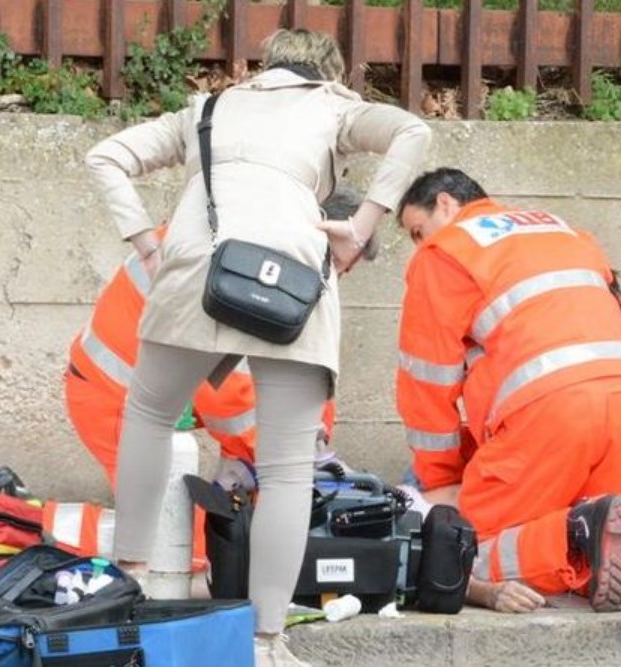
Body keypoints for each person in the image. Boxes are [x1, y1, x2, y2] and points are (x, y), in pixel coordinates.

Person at [84, 28, 430, 666]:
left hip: (195, 271)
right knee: (288, 468)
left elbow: (106, 155)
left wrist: (148, 244)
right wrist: (360, 224)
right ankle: (266, 642)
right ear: (330, 74)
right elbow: (414, 131)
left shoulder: (206, 109)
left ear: (264, 68)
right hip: (292, 281)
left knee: (151, 414)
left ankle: (123, 586)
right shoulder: (334, 106)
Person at [395, 168, 621, 613]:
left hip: (549, 409)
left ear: (446, 204)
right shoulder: (566, 231)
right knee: (612, 531)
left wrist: (441, 479)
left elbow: (427, 381)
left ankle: (579, 534)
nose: (418, 244)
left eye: (417, 230)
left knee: (463, 546)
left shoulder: (444, 253)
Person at [64, 189, 368, 488]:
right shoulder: (239, 267)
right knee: (170, 532)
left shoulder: (255, 253)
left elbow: (301, 373)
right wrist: (292, 457)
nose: (334, 278)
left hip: (131, 394)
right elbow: (229, 398)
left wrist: (315, 442)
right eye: (337, 264)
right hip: (115, 399)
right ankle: (30, 524)